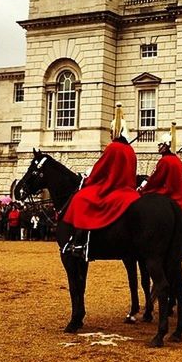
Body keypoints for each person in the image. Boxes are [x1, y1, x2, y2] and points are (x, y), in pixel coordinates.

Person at [62, 102, 139, 259]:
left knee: (81, 198)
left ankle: (78, 242)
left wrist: (88, 179)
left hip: (112, 188)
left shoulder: (113, 147)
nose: (110, 134)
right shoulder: (130, 150)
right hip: (128, 190)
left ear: (116, 131)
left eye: (111, 131)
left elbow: (100, 169)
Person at [138, 126, 182, 208]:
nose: (158, 147)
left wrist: (142, 189)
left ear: (165, 146)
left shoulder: (165, 160)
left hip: (169, 196)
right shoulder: (177, 160)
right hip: (181, 196)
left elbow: (155, 180)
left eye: (160, 144)